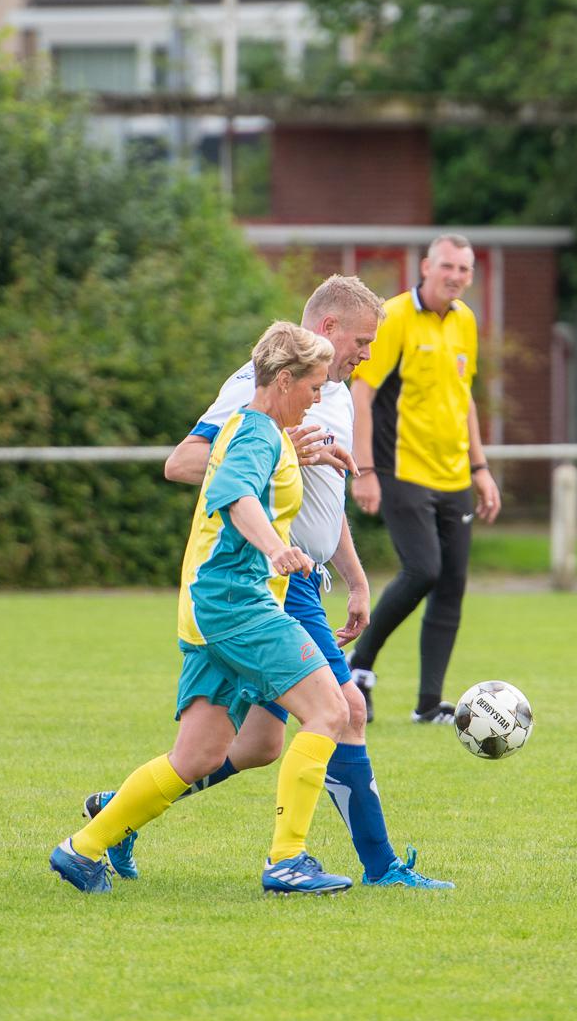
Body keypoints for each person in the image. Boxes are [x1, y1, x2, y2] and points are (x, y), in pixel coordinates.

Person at [82, 275, 454, 888]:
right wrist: (282, 451)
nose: (368, 354)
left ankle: (119, 812)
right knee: (345, 709)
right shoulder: (261, 385)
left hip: (300, 576)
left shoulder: (332, 391)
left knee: (258, 745)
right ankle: (376, 867)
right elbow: (183, 462)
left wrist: (357, 579)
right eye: (362, 341)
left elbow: (320, 500)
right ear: (327, 328)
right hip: (268, 579)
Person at [49, 321, 358, 896]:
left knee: (200, 755)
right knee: (331, 710)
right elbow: (236, 495)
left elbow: (253, 483)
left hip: (213, 604)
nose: (319, 398)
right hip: (239, 602)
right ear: (284, 380)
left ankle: (82, 847)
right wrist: (277, 549)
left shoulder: (252, 428)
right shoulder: (257, 434)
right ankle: (287, 860)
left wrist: (303, 464)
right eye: (313, 386)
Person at [346, 234, 502, 724]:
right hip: (401, 469)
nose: (455, 276)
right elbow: (362, 393)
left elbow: (464, 396)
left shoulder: (465, 320)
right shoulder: (393, 316)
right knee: (423, 570)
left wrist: (480, 468)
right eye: (447, 266)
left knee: (451, 584)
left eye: (464, 269)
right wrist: (364, 470)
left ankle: (429, 704)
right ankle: (359, 667)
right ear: (426, 267)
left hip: (454, 474)